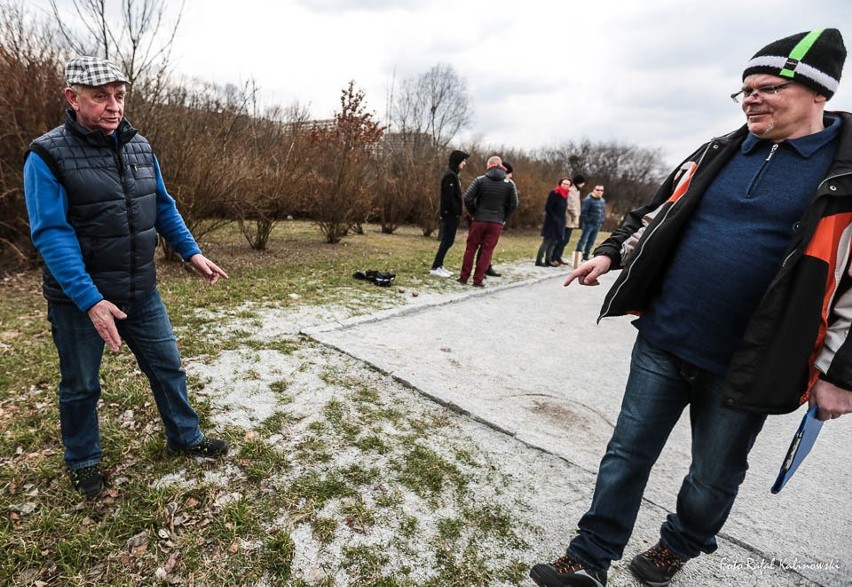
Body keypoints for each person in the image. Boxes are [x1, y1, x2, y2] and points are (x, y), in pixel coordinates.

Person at [531, 28, 852, 587]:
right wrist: (609, 255)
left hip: (749, 362)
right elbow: (653, 214)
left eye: (767, 87)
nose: (751, 97)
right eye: (745, 89)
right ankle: (588, 557)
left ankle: (677, 546)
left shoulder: (846, 179)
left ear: (817, 93)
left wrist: (840, 374)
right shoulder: (716, 152)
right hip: (664, 337)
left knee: (712, 475)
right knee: (626, 453)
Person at [23, 56, 230, 500]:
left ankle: (185, 438)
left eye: (119, 96)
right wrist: (90, 300)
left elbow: (162, 206)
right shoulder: (46, 155)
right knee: (81, 384)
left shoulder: (140, 147)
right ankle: (83, 461)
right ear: (72, 98)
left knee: (167, 366)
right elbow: (52, 233)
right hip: (79, 301)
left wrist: (191, 252)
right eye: (100, 97)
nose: (113, 107)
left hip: (140, 290)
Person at [457, 155, 518, 287]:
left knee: (471, 248)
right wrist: (503, 217)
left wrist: (474, 212)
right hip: (496, 222)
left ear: (488, 165)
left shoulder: (480, 180)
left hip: (479, 219)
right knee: (487, 250)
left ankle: (463, 277)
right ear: (501, 166)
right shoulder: (509, 184)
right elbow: (514, 204)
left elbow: (467, 198)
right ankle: (478, 280)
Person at [430, 149, 469, 278]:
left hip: (452, 214)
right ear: (457, 161)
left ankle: (439, 265)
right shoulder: (450, 176)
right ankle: (436, 266)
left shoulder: (453, 175)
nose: (464, 163)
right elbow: (448, 197)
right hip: (449, 215)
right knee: (447, 240)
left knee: (448, 241)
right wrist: (450, 212)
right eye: (463, 161)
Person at [476, 160, 514, 278]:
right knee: (485, 246)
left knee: (488, 246)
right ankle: (481, 269)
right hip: (489, 218)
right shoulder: (490, 181)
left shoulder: (508, 184)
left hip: (496, 217)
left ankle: (486, 266)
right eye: (509, 173)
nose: (511, 176)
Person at [535, 177, 572, 267]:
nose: (565, 186)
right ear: (560, 184)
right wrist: (554, 219)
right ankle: (539, 260)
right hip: (552, 221)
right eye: (564, 184)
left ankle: (548, 259)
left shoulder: (565, 195)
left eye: (568, 184)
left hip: (560, 221)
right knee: (547, 241)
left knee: (554, 242)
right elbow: (548, 207)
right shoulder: (554, 193)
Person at [552, 173, 585, 267]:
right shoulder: (571, 190)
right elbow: (570, 205)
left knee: (565, 240)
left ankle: (558, 257)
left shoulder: (577, 191)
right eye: (582, 183)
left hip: (572, 220)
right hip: (568, 219)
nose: (583, 185)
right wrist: (576, 215)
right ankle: (554, 257)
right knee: (561, 240)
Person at [574, 184, 606, 261]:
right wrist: (588, 221)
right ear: (594, 190)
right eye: (597, 190)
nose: (599, 192)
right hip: (589, 224)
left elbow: (603, 212)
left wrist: (602, 220)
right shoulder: (588, 200)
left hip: (597, 225)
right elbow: (584, 212)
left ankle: (586, 255)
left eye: (601, 190)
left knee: (591, 241)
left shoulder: (602, 201)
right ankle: (578, 255)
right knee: (583, 240)